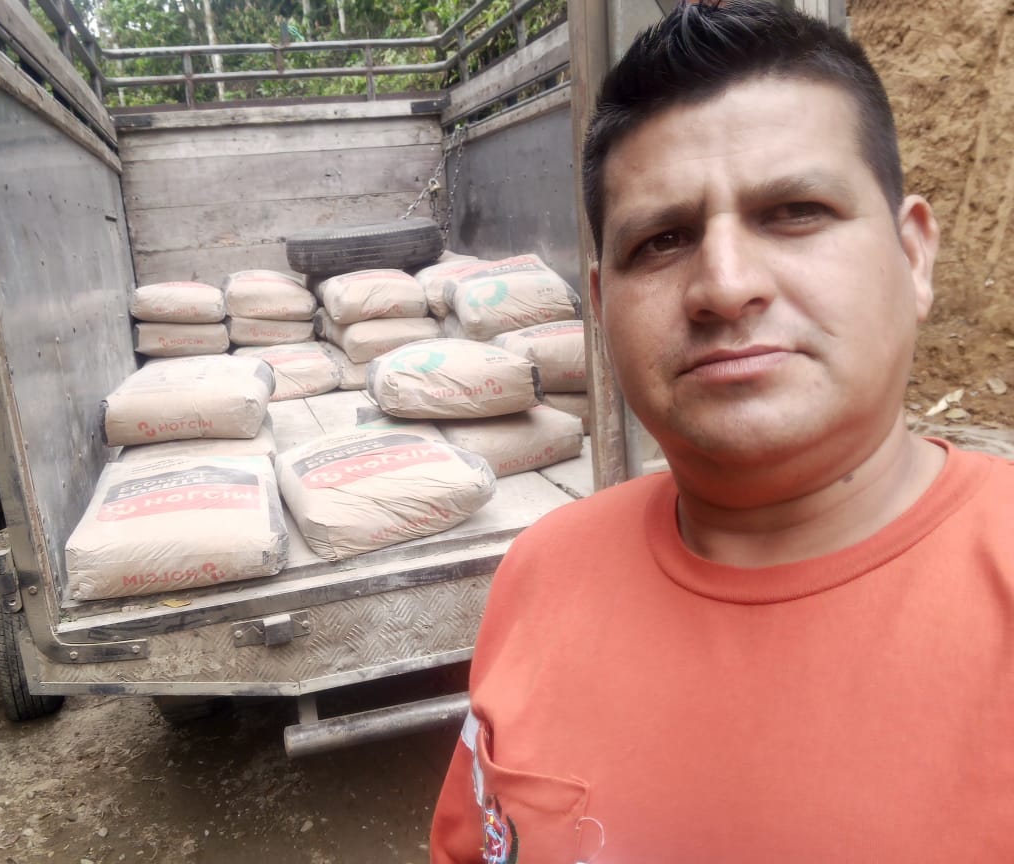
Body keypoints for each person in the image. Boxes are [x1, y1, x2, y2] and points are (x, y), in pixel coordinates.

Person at [429, 1, 1014, 861]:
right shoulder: (542, 574)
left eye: (796, 211)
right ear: (601, 307)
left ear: (914, 255)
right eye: (662, 241)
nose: (725, 286)